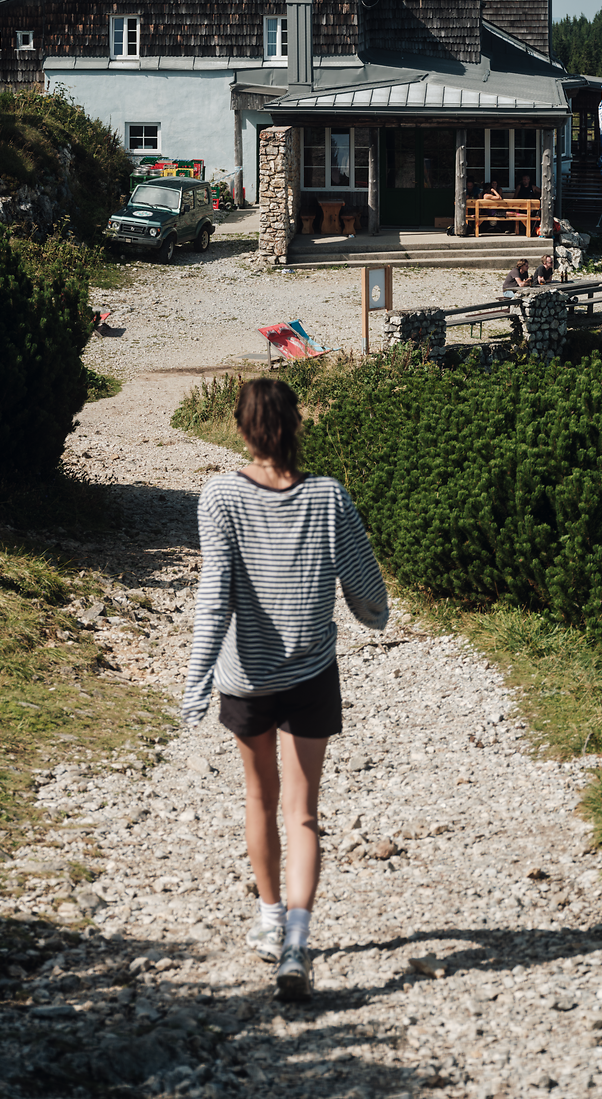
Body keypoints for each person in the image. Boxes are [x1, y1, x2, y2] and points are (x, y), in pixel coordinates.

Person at [181, 378, 388, 1002]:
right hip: (312, 674)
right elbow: (366, 591)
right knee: (304, 812)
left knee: (259, 800)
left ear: (242, 429)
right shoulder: (327, 496)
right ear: (298, 425)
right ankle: (298, 939)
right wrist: (374, 615)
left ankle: (269, 918)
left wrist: (195, 681)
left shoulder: (219, 495)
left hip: (247, 680)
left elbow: (215, 597)